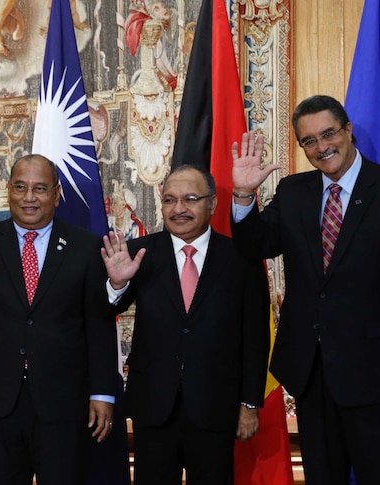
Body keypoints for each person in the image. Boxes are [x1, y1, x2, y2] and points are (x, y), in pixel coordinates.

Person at [230, 94, 380, 484]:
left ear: (348, 131)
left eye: (328, 134)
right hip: (312, 372)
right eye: (309, 141)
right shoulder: (293, 190)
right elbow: (256, 246)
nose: (321, 147)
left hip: (379, 374)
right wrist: (243, 196)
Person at [0, 154, 118, 485]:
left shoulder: (86, 248)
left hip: (63, 400)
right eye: (21, 187)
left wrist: (102, 393)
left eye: (40, 189)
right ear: (8, 191)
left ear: (57, 194)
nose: (29, 197)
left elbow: (98, 324)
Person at [101, 164, 269, 483]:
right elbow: (106, 308)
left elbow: (255, 336)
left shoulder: (241, 258)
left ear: (212, 204)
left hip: (216, 406)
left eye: (190, 199)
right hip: (154, 406)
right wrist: (117, 284)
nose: (178, 209)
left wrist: (249, 403)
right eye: (169, 200)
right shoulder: (139, 253)